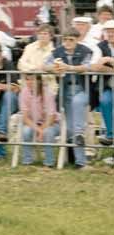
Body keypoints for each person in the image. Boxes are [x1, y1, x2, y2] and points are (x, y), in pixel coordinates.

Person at [44, 28, 92, 169]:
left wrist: (69, 67)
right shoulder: (57, 52)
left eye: (71, 39)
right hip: (65, 91)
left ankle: (79, 134)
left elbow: (87, 66)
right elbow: (44, 65)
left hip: (82, 88)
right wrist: (54, 69)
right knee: (70, 128)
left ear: (77, 40)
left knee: (77, 105)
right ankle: (80, 162)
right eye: (65, 39)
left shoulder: (85, 50)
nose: (67, 42)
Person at [19, 74, 61, 167]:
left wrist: (42, 129)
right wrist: (39, 130)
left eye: (32, 80)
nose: (29, 82)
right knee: (26, 131)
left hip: (52, 123)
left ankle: (49, 163)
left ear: (39, 81)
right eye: (27, 79)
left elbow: (52, 117)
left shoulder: (47, 92)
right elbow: (25, 118)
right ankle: (27, 161)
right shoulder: (24, 92)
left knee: (48, 132)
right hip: (33, 123)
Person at [94, 20, 114, 145]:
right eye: (109, 32)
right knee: (105, 101)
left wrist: (108, 59)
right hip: (108, 85)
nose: (111, 34)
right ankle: (110, 134)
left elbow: (102, 63)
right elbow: (96, 66)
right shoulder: (100, 46)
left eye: (113, 31)